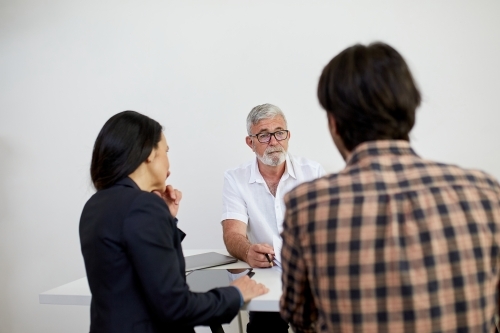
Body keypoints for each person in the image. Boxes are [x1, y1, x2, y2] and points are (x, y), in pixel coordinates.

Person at [280, 42, 500, 332]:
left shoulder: (307, 204)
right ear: (411, 111)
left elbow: (298, 317)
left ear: (333, 123)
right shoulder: (486, 193)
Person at [79, 111, 268, 333]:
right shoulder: (144, 207)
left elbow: (132, 270)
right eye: (165, 151)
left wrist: (166, 219)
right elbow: (175, 307)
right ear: (149, 152)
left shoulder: (95, 205)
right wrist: (235, 293)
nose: (168, 162)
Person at [221, 104, 325, 332]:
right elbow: (232, 234)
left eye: (279, 133)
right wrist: (248, 251)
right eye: (264, 135)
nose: (274, 141)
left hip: (307, 277)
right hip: (264, 277)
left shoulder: (313, 173)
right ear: (251, 142)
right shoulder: (235, 179)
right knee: (263, 328)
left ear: (288, 136)